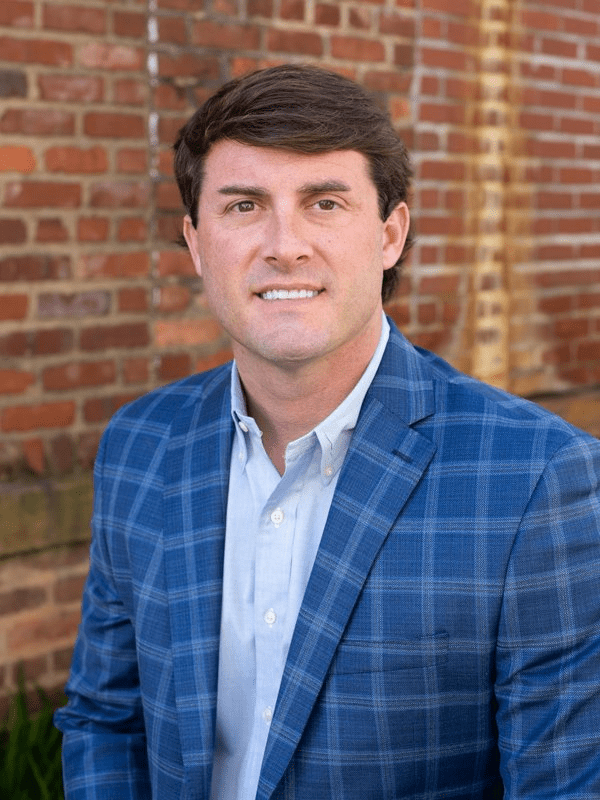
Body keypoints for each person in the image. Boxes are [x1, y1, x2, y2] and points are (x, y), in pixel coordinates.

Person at [55, 64, 600, 799]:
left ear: (390, 234)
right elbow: (105, 719)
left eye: (325, 203)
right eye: (245, 205)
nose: (285, 244)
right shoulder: (139, 446)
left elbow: (562, 786)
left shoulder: (539, 476)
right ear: (195, 241)